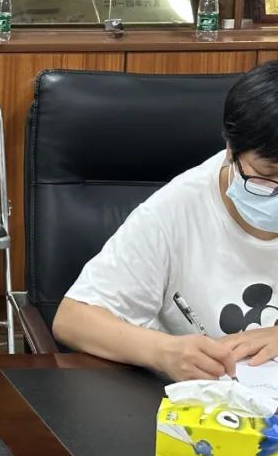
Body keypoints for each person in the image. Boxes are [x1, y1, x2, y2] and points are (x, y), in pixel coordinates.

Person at [53, 61, 278, 382]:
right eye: (267, 176)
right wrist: (163, 351)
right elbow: (73, 319)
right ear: (231, 149)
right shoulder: (176, 209)